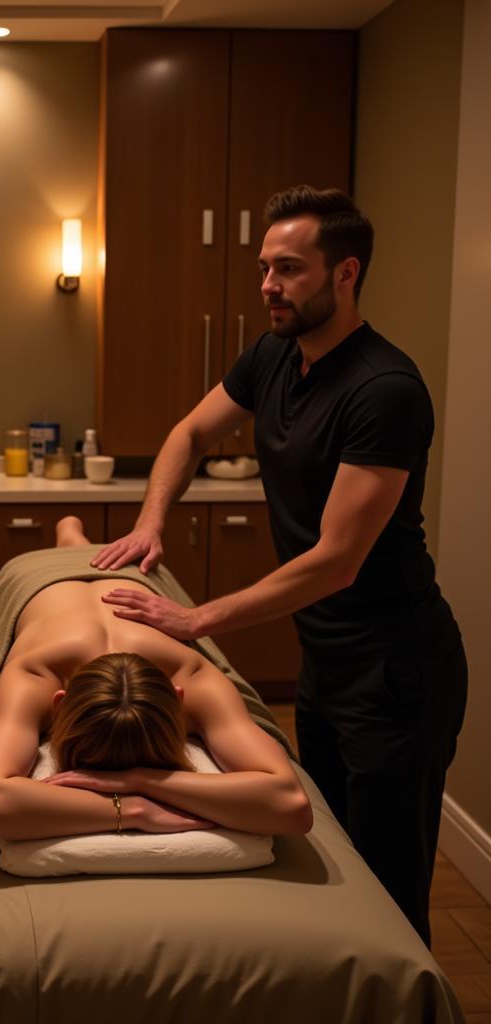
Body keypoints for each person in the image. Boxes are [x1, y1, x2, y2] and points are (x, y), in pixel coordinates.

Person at [92, 185, 466, 946]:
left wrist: (196, 618)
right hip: (326, 660)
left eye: (288, 269)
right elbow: (189, 435)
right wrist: (149, 524)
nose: (267, 286)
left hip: (395, 668)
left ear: (345, 273)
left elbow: (336, 561)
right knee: (326, 862)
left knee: (389, 897)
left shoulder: (384, 390)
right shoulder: (272, 354)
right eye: (264, 268)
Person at [0, 517, 312, 841]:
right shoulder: (36, 672)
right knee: (76, 547)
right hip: (36, 578)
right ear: (179, 699)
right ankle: (70, 533)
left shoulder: (192, 675)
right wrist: (131, 809)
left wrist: (140, 781)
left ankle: (71, 534)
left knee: (80, 547)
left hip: (127, 580)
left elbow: (291, 804)